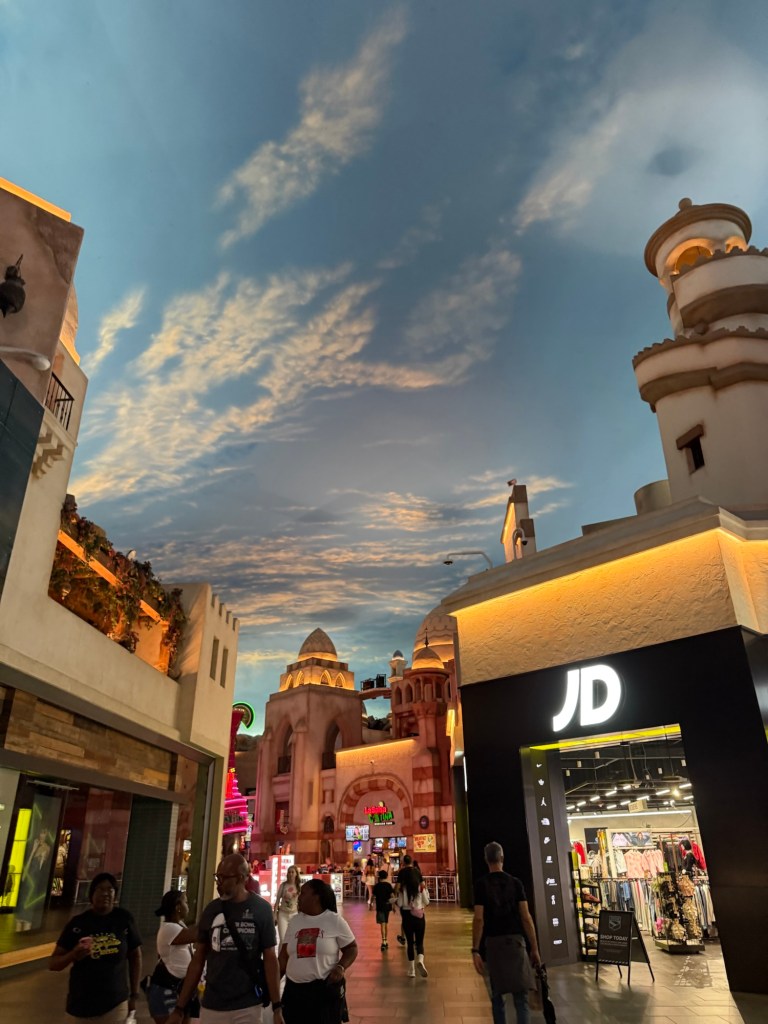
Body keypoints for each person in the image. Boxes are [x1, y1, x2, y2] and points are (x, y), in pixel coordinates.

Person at [167, 853, 282, 1024]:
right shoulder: (211, 910)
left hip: (248, 1005)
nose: (218, 883)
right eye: (217, 877)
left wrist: (277, 1007)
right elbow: (198, 960)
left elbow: (270, 958)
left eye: (224, 878)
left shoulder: (261, 910)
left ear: (240, 878)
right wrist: (179, 1007)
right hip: (213, 1004)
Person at [50, 871, 143, 1022]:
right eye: (100, 889)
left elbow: (135, 956)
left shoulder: (124, 919)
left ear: (115, 895)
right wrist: (73, 954)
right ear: (91, 894)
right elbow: (53, 964)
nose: (105, 893)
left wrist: (134, 994)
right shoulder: (78, 923)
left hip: (115, 1004)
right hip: (80, 1005)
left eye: (110, 889)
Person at [472, 842, 541, 1024]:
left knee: (497, 998)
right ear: (502, 858)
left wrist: (475, 950)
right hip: (516, 943)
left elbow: (479, 919)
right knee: (521, 999)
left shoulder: (481, 885)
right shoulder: (515, 883)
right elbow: (526, 917)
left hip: (494, 945)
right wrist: (534, 948)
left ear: (486, 860)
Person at [278, 878, 358, 1023]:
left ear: (316, 897)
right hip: (294, 993)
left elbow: (351, 948)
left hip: (322, 992)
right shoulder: (295, 921)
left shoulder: (334, 920)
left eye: (303, 893)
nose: (298, 897)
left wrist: (341, 967)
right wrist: (272, 982)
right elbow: (284, 956)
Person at [147, 889, 198, 1024]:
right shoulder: (168, 928)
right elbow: (197, 935)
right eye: (186, 902)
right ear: (178, 907)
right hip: (167, 991)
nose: (188, 906)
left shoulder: (179, 925)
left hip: (181, 990)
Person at [395, 855, 428, 977]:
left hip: (406, 915)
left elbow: (399, 902)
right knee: (419, 942)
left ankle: (412, 970)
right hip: (419, 916)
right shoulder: (420, 885)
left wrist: (395, 900)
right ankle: (420, 960)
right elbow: (427, 901)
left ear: (403, 862)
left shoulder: (402, 887)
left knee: (409, 942)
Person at [274, 865, 301, 942]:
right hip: (283, 914)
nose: (290, 874)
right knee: (283, 939)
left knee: (293, 939)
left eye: (292, 872)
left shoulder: (298, 887)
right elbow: (277, 901)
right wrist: (275, 915)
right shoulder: (283, 885)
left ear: (296, 874)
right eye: (289, 872)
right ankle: (281, 950)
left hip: (294, 915)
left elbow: (301, 902)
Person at [372, 869, 395, 951]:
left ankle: (384, 941)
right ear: (386, 876)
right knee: (385, 923)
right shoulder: (388, 885)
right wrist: (393, 906)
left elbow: (373, 896)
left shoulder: (377, 886)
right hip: (387, 906)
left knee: (382, 923)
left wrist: (371, 905)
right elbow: (392, 896)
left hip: (380, 906)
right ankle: (385, 940)